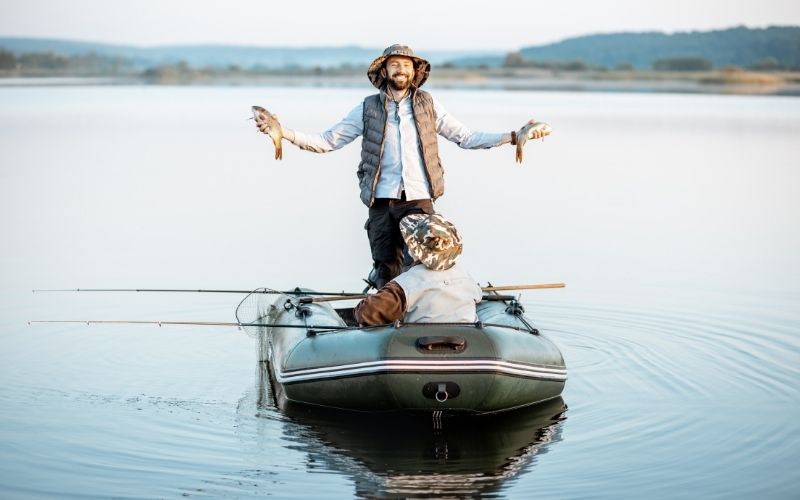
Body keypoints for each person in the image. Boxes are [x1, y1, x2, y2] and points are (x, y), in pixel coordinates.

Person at [255, 43, 549, 289]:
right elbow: (328, 141)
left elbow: (467, 137)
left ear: (414, 71)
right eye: (394, 64)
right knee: (385, 270)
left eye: (406, 65)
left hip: (419, 201)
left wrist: (513, 136)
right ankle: (386, 323)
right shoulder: (367, 107)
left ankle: (420, 321)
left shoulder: (429, 105)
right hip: (381, 201)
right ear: (384, 71)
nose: (400, 69)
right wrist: (284, 133)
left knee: (421, 269)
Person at [354, 213, 482, 326]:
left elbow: (365, 313)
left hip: (420, 348)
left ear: (414, 250)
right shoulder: (467, 278)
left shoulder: (404, 285)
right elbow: (478, 298)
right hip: (467, 345)